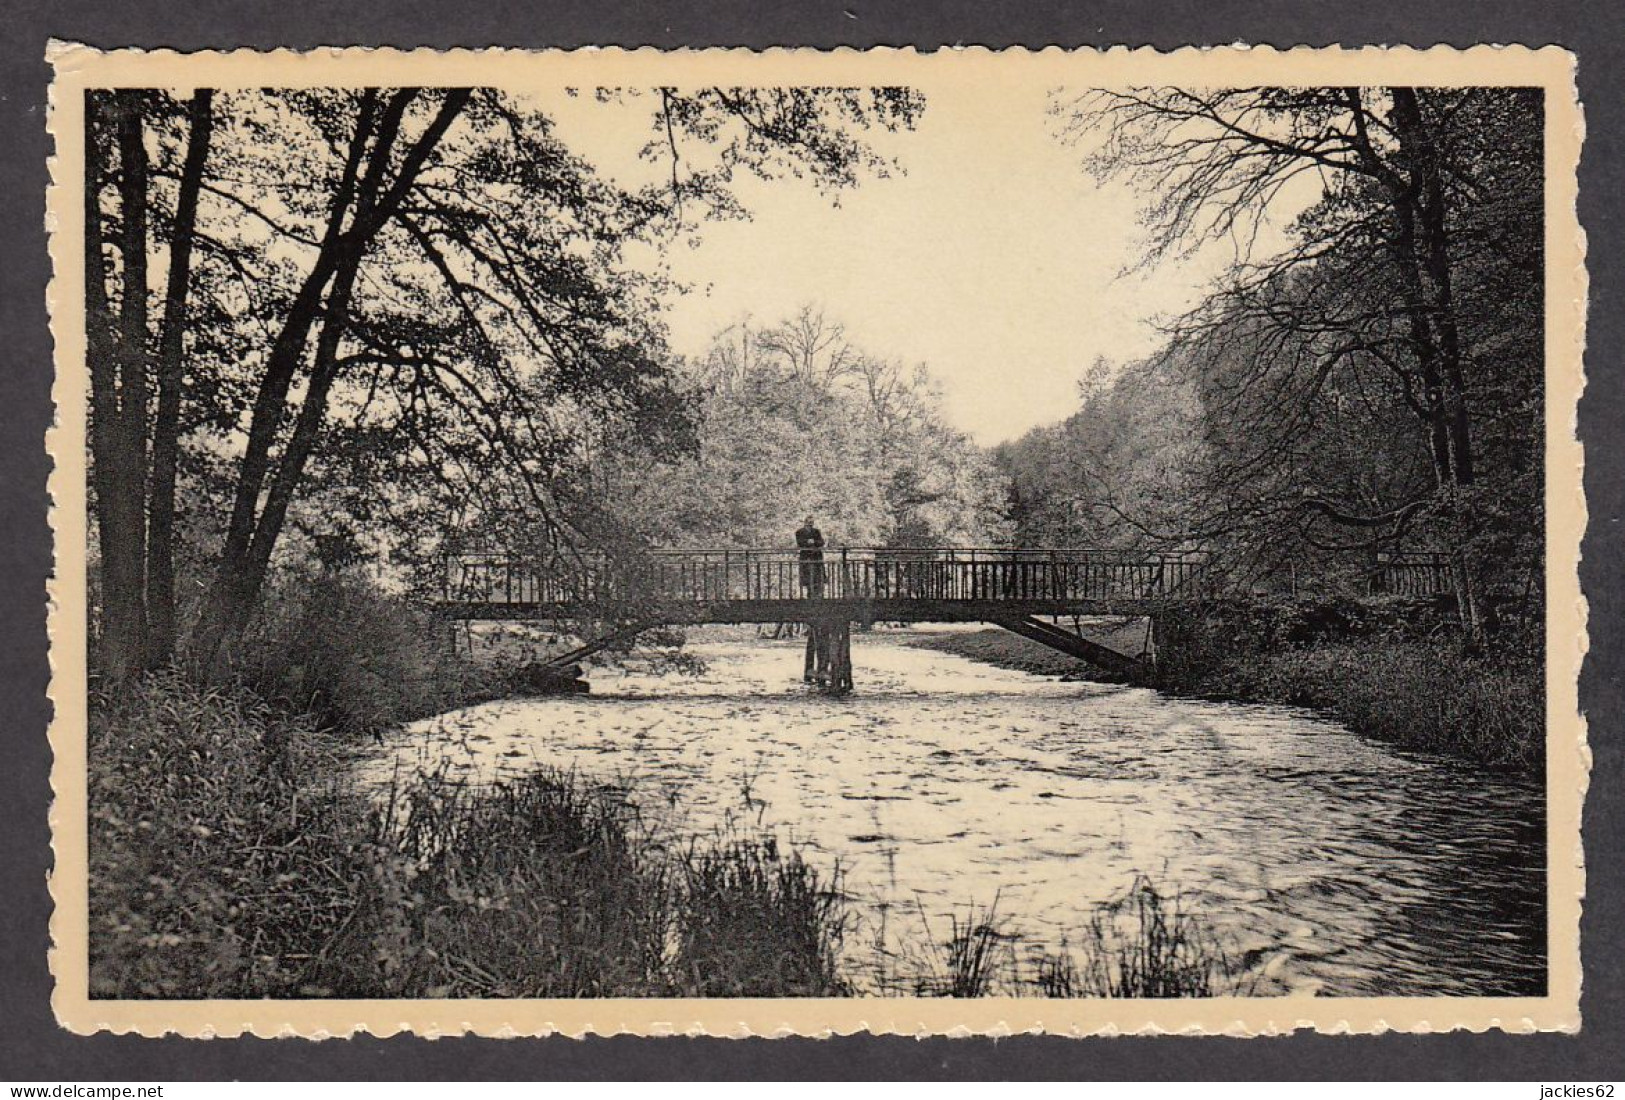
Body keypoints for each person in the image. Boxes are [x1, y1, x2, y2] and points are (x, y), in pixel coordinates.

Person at [796, 515, 825, 597]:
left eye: (811, 523)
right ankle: (809, 593)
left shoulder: (816, 531)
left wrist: (814, 542)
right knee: (807, 576)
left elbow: (821, 542)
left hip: (816, 557)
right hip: (806, 557)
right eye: (808, 523)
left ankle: (817, 594)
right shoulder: (799, 532)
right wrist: (808, 542)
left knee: (817, 576)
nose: (810, 524)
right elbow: (800, 543)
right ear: (805, 523)